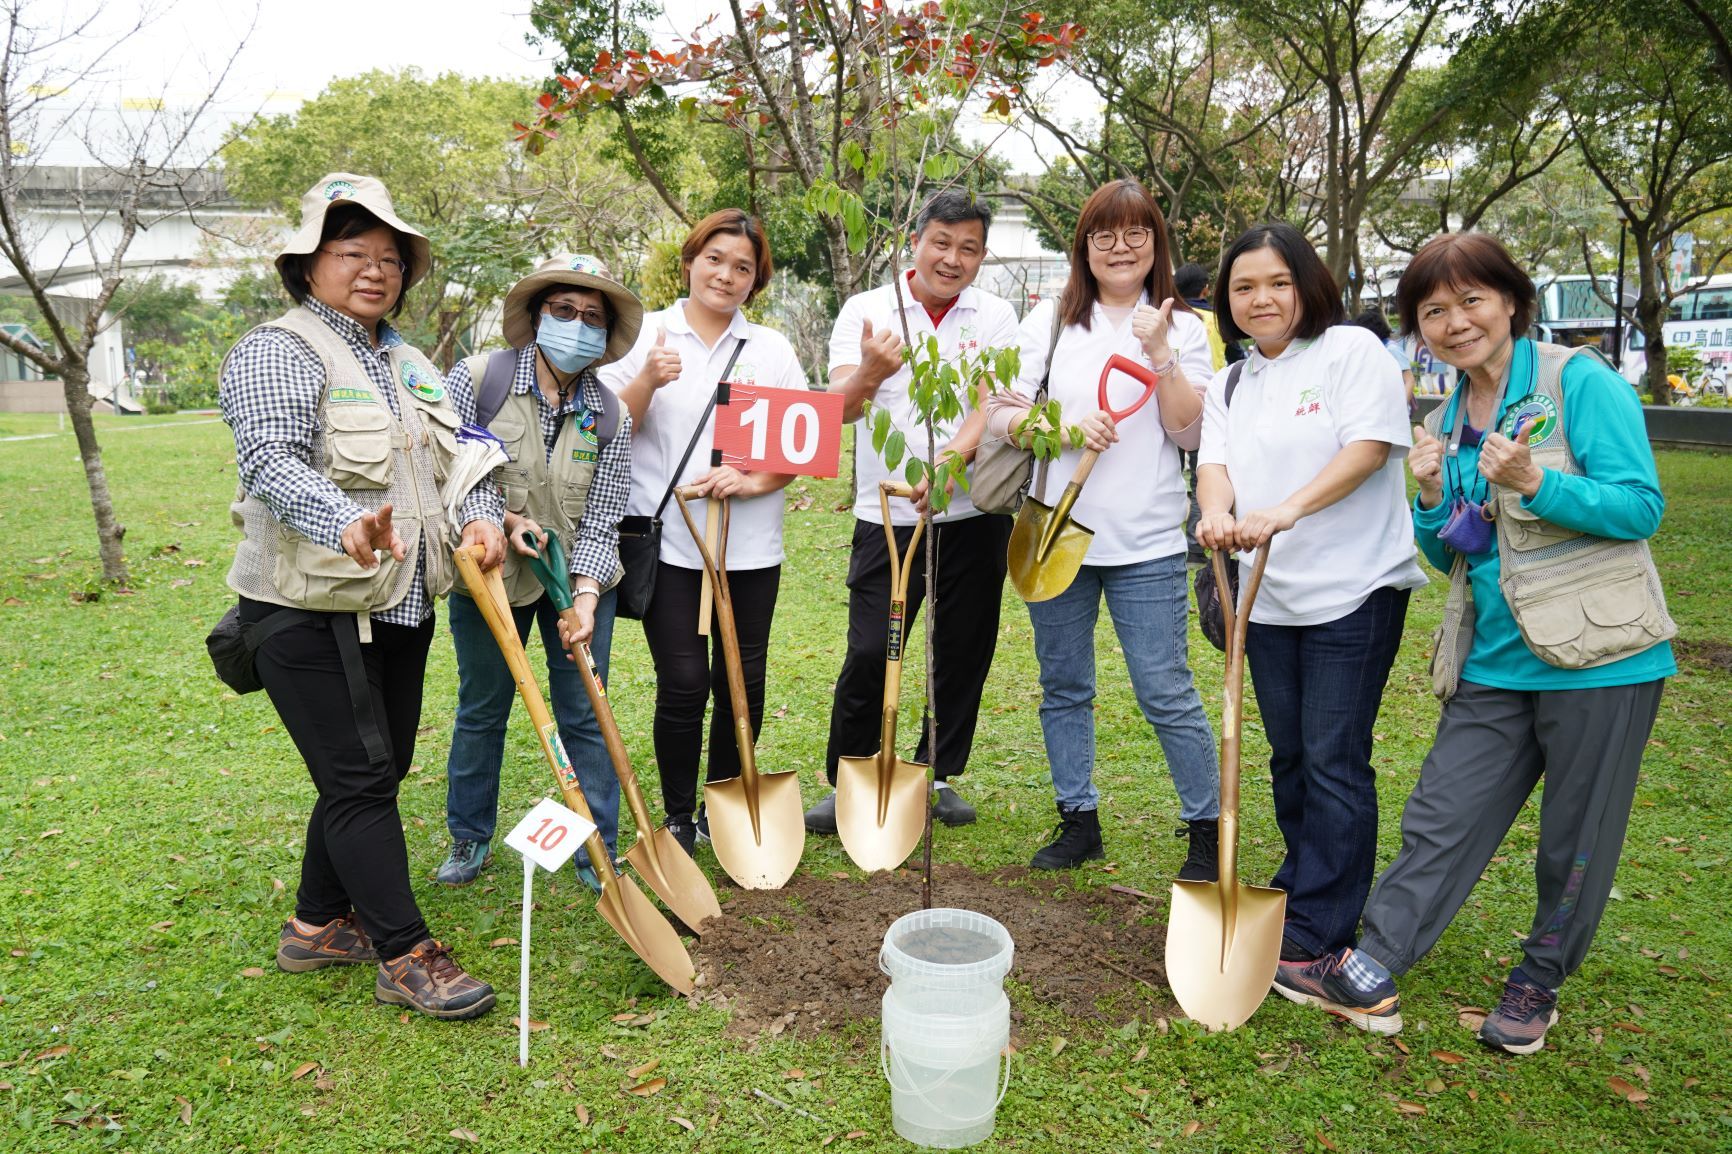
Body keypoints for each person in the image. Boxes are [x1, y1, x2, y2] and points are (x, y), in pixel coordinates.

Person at [1273, 232, 1675, 1055]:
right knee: (1441, 816)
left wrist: (1539, 482)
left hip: (1600, 659)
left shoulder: (1578, 383)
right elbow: (1462, 547)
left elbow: (1640, 507)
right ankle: (1374, 957)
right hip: (1494, 656)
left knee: (1576, 837)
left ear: (1511, 301)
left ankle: (1538, 980)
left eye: (1471, 301)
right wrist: (1428, 496)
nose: (1456, 323)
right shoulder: (1449, 413)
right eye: (1434, 311)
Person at [219, 173, 504, 1019]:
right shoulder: (277, 349)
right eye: (353, 254)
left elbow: (471, 456)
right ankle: (404, 951)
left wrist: (485, 518)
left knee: (374, 773)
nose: (375, 271)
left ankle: (315, 929)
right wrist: (344, 521)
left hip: (401, 606)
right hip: (310, 610)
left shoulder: (412, 362)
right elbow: (271, 461)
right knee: (359, 780)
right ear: (309, 265)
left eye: (390, 258)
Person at [1195, 223, 1425, 977]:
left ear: (1306, 283)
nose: (1261, 299)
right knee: (1289, 754)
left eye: (1277, 283)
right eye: (1244, 287)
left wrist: (1288, 509)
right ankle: (1303, 885)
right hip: (1269, 598)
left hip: (1353, 590)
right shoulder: (1233, 379)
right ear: (1227, 300)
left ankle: (1323, 923)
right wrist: (1217, 512)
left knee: (1333, 758)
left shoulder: (1351, 352)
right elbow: (1215, 463)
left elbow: (1367, 449)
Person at [985, 179, 1220, 878]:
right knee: (1064, 684)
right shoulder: (1052, 324)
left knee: (1164, 688)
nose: (1120, 248)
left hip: (1146, 541)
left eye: (1135, 233)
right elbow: (1001, 413)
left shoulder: (1181, 327)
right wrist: (1054, 426)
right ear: (1083, 247)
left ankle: (1206, 828)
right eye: (1104, 235)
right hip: (1057, 532)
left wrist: (1160, 354)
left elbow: (1191, 430)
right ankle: (1077, 819)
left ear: (1156, 243)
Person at [804, 189, 1021, 834]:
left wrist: (951, 458)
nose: (953, 259)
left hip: (973, 515)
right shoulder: (869, 309)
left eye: (969, 248)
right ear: (916, 241)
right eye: (941, 243)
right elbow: (837, 410)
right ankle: (849, 774)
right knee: (872, 648)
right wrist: (870, 370)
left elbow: (993, 402)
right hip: (886, 516)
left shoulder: (996, 314)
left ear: (982, 255)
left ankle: (936, 774)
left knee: (962, 649)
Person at [599, 210, 804, 854]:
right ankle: (679, 814)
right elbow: (605, 433)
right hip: (670, 546)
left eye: (743, 267)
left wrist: (750, 480)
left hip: (749, 549)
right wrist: (645, 381)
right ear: (690, 261)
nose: (726, 274)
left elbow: (799, 451)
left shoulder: (770, 349)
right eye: (715, 258)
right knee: (685, 680)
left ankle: (724, 800)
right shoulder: (645, 334)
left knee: (743, 678)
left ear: (755, 280)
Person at [435, 255, 642, 891]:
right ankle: (469, 837)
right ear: (536, 315)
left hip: (575, 578)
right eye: (564, 312)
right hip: (489, 574)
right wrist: (497, 518)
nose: (577, 326)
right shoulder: (478, 379)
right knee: (483, 707)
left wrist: (583, 599)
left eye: (592, 318)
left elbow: (604, 517)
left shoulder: (611, 416)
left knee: (585, 710)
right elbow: (450, 470)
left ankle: (596, 844)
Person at [1351, 307, 1419, 419]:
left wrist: (1400, 408)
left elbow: (1409, 380)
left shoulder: (1391, 349)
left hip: (1395, 412)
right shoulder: (1374, 349)